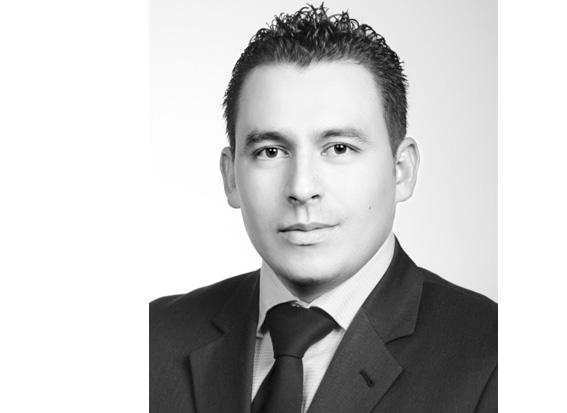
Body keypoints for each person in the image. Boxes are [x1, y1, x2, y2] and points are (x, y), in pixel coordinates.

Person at [150, 5, 497, 413]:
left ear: (401, 170)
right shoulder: (151, 339)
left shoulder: (492, 356)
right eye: (271, 151)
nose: (302, 188)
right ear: (231, 177)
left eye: (339, 148)